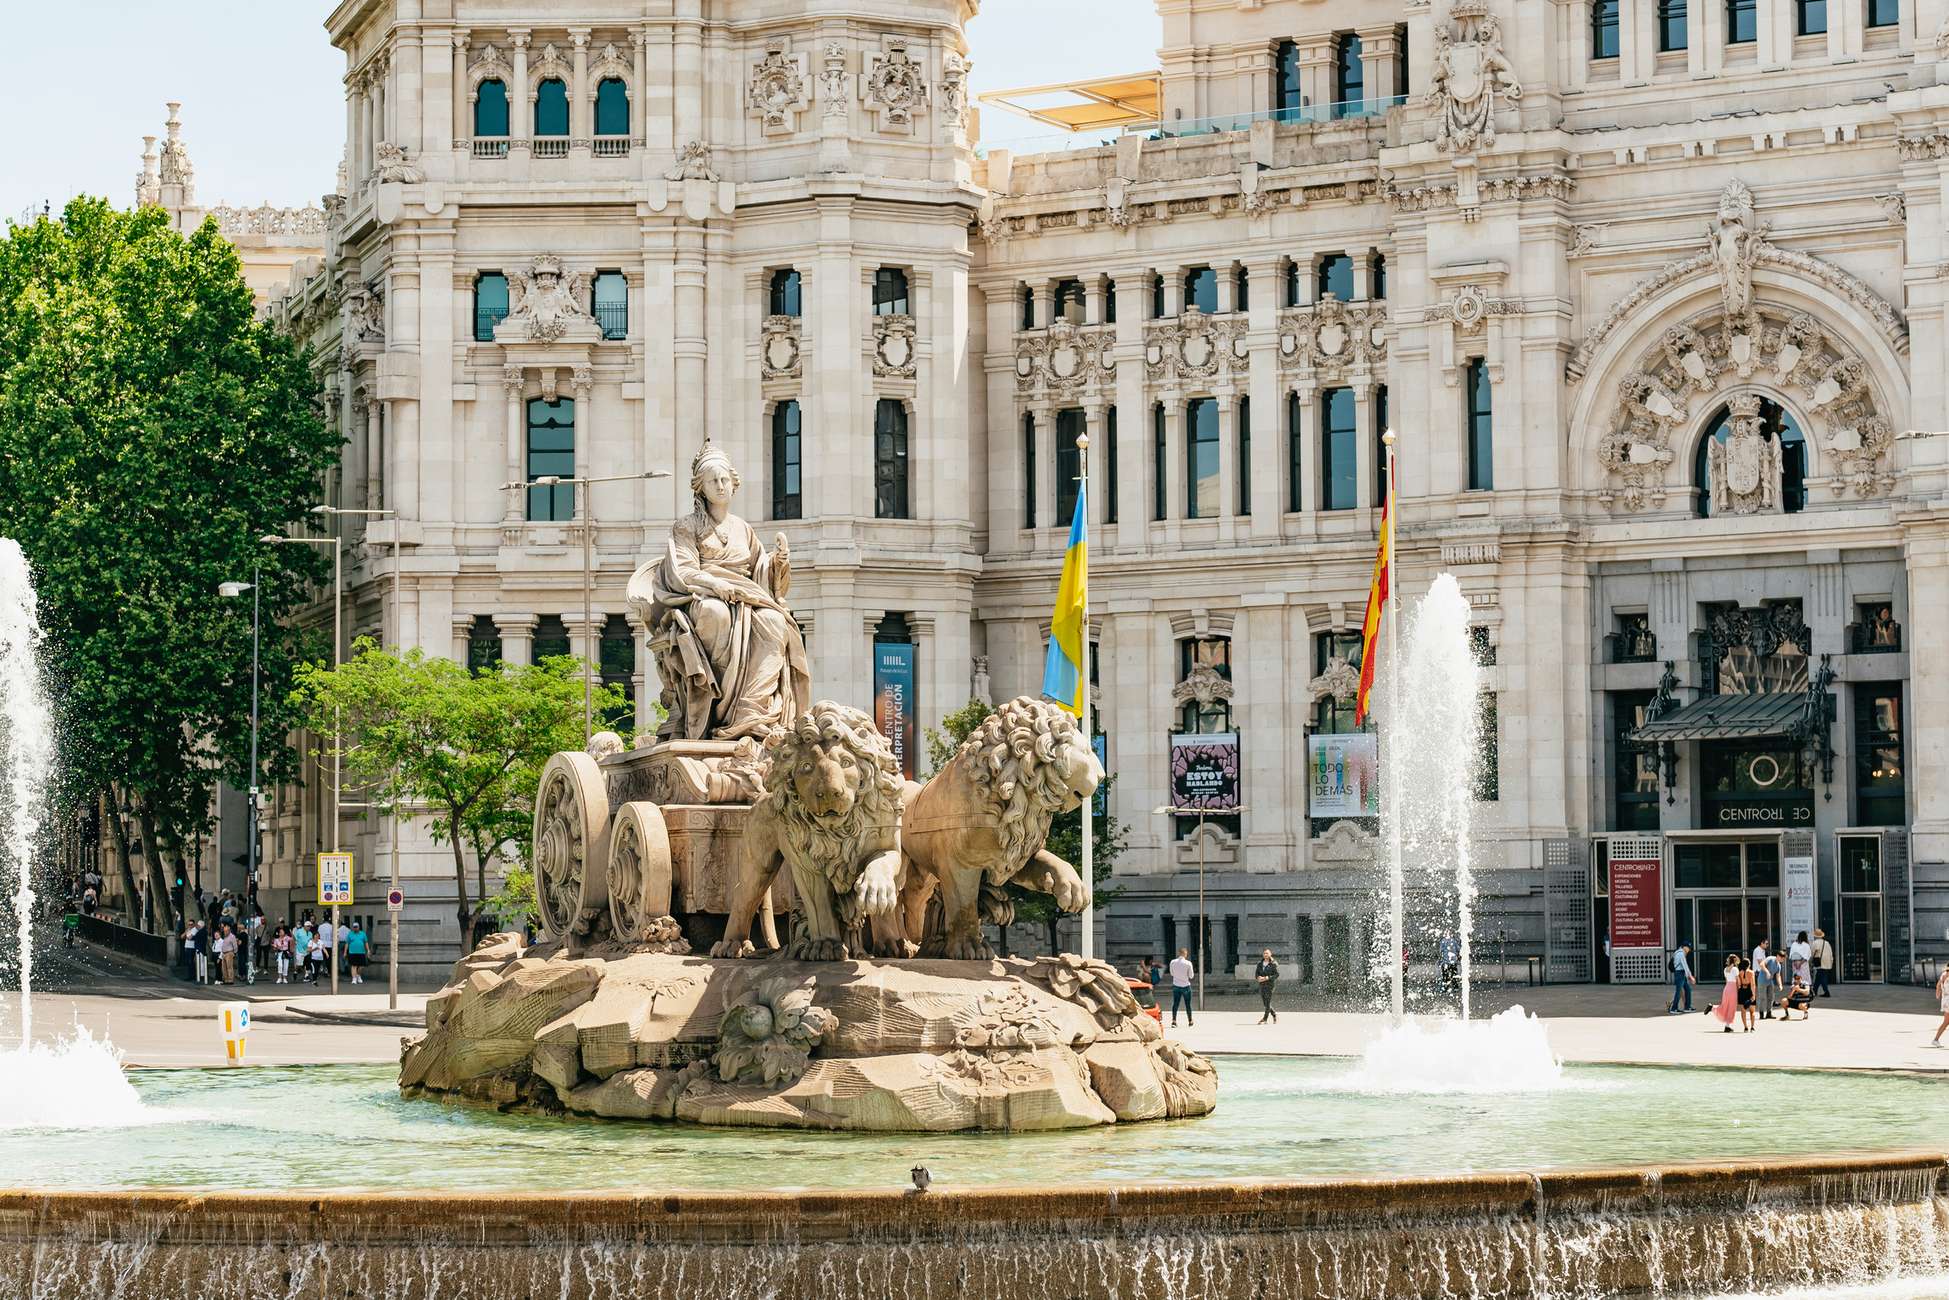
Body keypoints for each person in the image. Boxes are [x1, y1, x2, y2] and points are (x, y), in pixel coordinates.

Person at [1706, 953, 1738, 1033]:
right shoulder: (1735, 969)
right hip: (1733, 989)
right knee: (1731, 1007)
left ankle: (1712, 1008)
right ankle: (1727, 1026)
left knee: (1724, 1005)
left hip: (1726, 988)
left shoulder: (1725, 969)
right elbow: (1738, 981)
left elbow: (1727, 980)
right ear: (1734, 961)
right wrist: (1739, 989)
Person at [1168, 947, 1195, 1028]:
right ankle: (1190, 1020)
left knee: (1175, 1003)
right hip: (1186, 986)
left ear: (1179, 953)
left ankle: (1174, 1021)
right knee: (1188, 1004)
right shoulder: (1188, 963)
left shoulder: (1172, 962)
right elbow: (1191, 976)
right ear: (1185, 954)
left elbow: (1172, 973)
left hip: (1176, 985)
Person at [1254, 949, 1279, 1024]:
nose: (1265, 955)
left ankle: (1265, 1019)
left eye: (1267, 953)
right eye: (1264, 953)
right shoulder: (1260, 964)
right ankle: (1274, 1014)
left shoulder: (1273, 963)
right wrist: (1258, 978)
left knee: (1267, 1002)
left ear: (1270, 954)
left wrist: (1267, 978)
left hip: (1270, 985)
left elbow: (1277, 974)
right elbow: (1256, 974)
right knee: (1265, 1003)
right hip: (1262, 985)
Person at [1752, 939, 1775, 1021]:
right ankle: (1761, 1013)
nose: (1767, 945)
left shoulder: (1762, 950)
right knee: (1762, 995)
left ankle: (1769, 1012)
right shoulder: (1758, 950)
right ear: (1761, 943)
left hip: (1764, 973)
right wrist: (1767, 970)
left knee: (1770, 994)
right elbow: (1760, 962)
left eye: (1768, 944)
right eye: (1766, 943)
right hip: (1759, 973)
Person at [1669, 944, 1694, 1014]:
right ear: (1685, 947)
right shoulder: (1681, 954)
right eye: (1688, 948)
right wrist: (1690, 976)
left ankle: (1687, 1007)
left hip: (1680, 973)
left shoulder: (1678, 952)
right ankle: (1674, 1008)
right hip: (1679, 973)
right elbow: (1685, 965)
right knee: (1678, 991)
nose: (1689, 950)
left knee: (1687, 989)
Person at [1811, 929, 1835, 997]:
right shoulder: (1826, 943)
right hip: (1827, 962)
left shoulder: (1815, 943)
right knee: (1819, 976)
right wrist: (1831, 962)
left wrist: (1810, 961)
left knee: (1822, 977)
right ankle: (1814, 990)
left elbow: (1812, 953)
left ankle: (1826, 991)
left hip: (1819, 962)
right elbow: (1831, 953)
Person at [185, 918, 208, 984]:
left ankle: (199, 976)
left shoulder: (200, 931)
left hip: (199, 949)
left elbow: (190, 938)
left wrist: (188, 933)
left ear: (201, 926)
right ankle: (199, 976)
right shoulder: (201, 931)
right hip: (199, 948)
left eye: (197, 925)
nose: (196, 926)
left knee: (199, 962)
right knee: (198, 962)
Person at [346, 920, 369, 985]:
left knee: (361, 966)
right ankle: (354, 978)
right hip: (352, 952)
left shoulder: (363, 934)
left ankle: (358, 975)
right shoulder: (350, 934)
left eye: (356, 927)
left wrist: (368, 950)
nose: (355, 928)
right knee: (354, 966)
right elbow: (347, 943)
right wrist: (345, 952)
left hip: (361, 952)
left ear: (359, 927)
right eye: (354, 927)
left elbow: (366, 942)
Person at [1736, 957, 1756, 1032]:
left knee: (1743, 1010)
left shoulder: (1740, 973)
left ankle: (1745, 1027)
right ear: (1749, 965)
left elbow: (1739, 984)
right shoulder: (1751, 972)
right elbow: (1753, 985)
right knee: (1752, 1011)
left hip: (1742, 991)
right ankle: (1752, 1027)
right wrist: (1753, 995)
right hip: (1749, 991)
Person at [1931, 966, 1949, 1048]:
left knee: (1946, 1022)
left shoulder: (1943, 974)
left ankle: (1936, 1039)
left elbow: (1938, 985)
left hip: (1945, 1000)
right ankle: (1935, 1039)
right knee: (1946, 1022)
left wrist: (1938, 994)